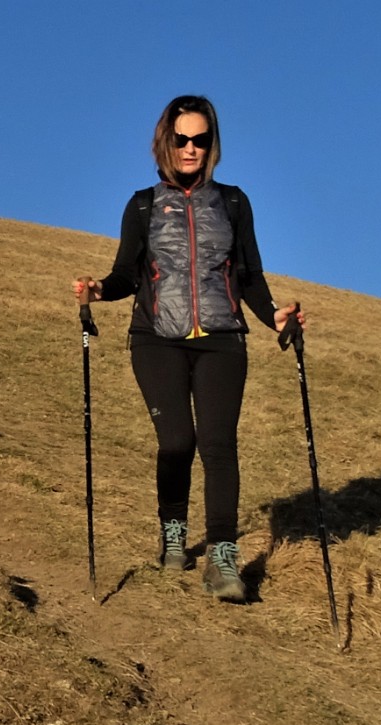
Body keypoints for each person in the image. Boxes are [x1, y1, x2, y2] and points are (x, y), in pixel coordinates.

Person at [72, 94, 304, 602]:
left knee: (219, 446)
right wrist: (97, 292)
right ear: (166, 141)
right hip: (156, 338)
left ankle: (222, 558)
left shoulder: (234, 203)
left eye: (201, 140)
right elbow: (126, 275)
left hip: (223, 339)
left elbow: (250, 276)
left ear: (211, 144)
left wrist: (275, 317)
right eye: (182, 139)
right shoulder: (143, 205)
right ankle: (173, 529)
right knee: (177, 441)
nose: (191, 148)